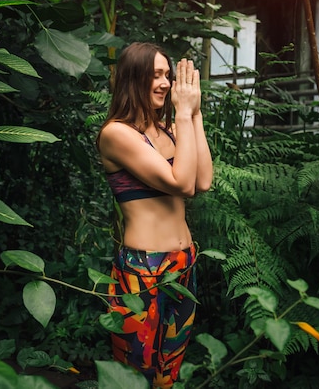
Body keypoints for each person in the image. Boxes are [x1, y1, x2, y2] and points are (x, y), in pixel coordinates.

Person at [96, 42, 213, 388]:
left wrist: (194, 113)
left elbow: (202, 180)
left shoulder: (171, 131)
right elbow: (182, 184)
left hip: (184, 263)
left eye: (168, 75)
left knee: (169, 371)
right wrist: (181, 114)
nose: (165, 83)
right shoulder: (117, 134)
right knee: (135, 373)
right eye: (156, 75)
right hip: (142, 270)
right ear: (134, 79)